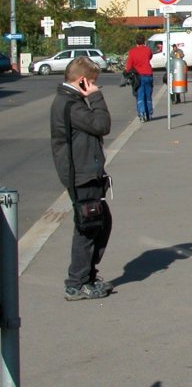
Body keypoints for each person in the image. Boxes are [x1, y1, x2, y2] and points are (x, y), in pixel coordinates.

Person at [50, 56, 113, 301]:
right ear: (83, 81)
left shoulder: (70, 101)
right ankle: (77, 282)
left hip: (85, 172)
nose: (95, 86)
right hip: (82, 175)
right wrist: (95, 97)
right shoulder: (70, 104)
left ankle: (85, 276)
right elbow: (101, 124)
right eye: (94, 82)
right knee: (88, 228)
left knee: (99, 223)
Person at [124, 33, 154, 122]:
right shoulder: (148, 50)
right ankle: (149, 113)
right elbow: (150, 57)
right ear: (144, 41)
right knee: (148, 95)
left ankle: (142, 113)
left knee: (140, 95)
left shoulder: (132, 52)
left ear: (136, 42)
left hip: (138, 76)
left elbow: (129, 67)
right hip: (148, 74)